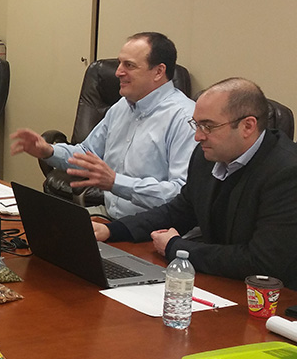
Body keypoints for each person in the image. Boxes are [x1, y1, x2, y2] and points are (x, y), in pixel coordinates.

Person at [94, 78, 297, 289]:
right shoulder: (206, 156)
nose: (198, 136)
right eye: (196, 124)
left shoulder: (287, 173)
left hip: (274, 301)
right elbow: (180, 210)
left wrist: (177, 247)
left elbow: (263, 262)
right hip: (221, 283)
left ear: (247, 126)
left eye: (208, 126)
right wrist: (113, 230)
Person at [10, 32, 195, 219]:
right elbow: (87, 153)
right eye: (119, 63)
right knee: (36, 224)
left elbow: (181, 193)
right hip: (110, 215)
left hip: (154, 228)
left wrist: (115, 182)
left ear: (158, 72)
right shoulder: (123, 106)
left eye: (129, 65)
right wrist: (48, 151)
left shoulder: (184, 118)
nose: (118, 72)